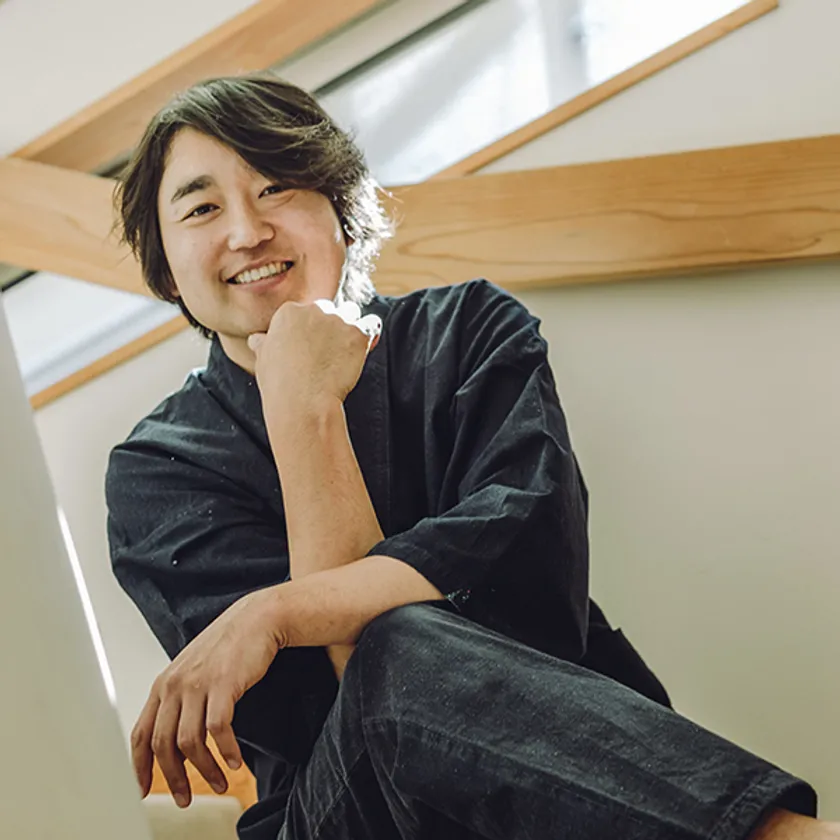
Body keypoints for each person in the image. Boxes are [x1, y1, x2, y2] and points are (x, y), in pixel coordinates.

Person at [105, 73, 829, 840]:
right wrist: (303, 407)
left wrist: (279, 610)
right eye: (202, 209)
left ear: (339, 207)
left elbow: (525, 566)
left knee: (407, 645)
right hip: (346, 813)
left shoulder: (470, 328)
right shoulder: (157, 469)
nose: (248, 231)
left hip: (574, 750)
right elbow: (347, 695)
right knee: (390, 652)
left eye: (277, 186)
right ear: (166, 263)